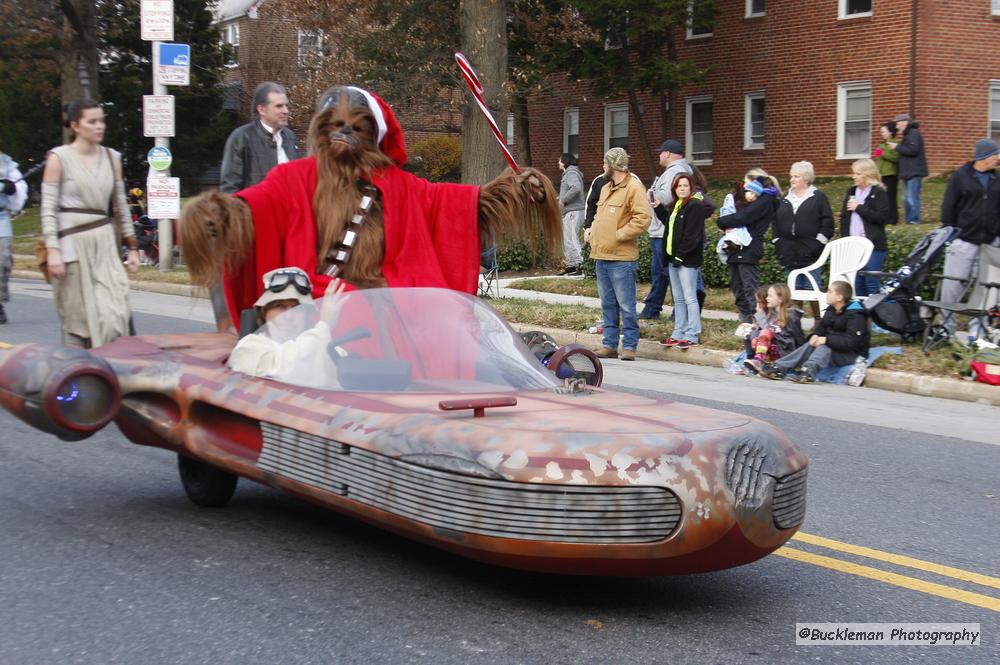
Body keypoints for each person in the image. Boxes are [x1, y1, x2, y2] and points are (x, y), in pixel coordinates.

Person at [179, 85, 561, 330]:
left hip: (383, 308)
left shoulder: (399, 186)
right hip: (314, 304)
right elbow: (251, 209)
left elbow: (462, 206)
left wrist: (515, 188)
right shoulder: (294, 178)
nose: (343, 134)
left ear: (372, 135)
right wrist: (215, 216)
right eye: (334, 126)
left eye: (354, 127)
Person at [40, 100, 139, 348]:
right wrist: (53, 251)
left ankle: (110, 366)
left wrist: (133, 245)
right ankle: (78, 373)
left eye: (101, 120)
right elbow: (48, 209)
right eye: (92, 121)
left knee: (115, 309)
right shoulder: (58, 158)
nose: (99, 126)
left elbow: (120, 205)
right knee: (77, 316)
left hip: (104, 242)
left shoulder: (112, 158)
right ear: (75, 125)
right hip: (70, 243)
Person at [583, 147, 651, 361]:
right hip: (601, 255)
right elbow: (599, 215)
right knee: (608, 303)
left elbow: (643, 218)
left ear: (613, 166)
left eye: (605, 164)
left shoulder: (633, 187)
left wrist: (620, 234)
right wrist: (592, 233)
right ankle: (609, 344)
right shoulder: (605, 187)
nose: (603, 167)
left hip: (621, 258)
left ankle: (629, 346)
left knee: (626, 305)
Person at [227, 268, 345, 387]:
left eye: (297, 308)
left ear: (307, 315)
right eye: (279, 306)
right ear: (264, 312)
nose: (288, 316)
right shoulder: (249, 346)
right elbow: (291, 373)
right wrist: (325, 325)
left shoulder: (326, 345)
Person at [938, 138, 1000, 337]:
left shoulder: (996, 179)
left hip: (990, 244)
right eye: (995, 154)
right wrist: (952, 233)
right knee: (952, 286)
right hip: (964, 242)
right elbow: (949, 207)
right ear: (983, 157)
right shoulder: (960, 177)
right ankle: (947, 329)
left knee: (987, 289)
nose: (998, 158)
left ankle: (979, 334)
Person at [759, 281, 869, 383]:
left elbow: (851, 342)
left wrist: (826, 340)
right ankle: (778, 368)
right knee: (812, 343)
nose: (827, 294)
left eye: (830, 292)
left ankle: (808, 372)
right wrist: (816, 335)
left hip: (851, 354)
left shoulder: (855, 315)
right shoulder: (832, 309)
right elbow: (821, 328)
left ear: (839, 297)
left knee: (824, 346)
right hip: (834, 347)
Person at [717, 168, 781, 323]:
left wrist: (722, 222)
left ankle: (759, 325)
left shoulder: (764, 201)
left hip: (749, 250)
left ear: (754, 181)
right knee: (739, 290)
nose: (744, 187)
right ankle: (746, 324)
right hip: (735, 249)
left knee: (750, 291)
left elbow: (743, 217)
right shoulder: (748, 201)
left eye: (746, 182)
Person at [773, 161, 833, 318]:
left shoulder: (818, 197)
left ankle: (819, 322)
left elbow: (827, 223)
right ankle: (794, 323)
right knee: (793, 288)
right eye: (791, 176)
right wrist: (777, 241)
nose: (792, 179)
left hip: (810, 251)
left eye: (796, 176)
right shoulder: (785, 197)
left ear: (806, 178)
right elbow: (775, 222)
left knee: (812, 287)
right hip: (789, 250)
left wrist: (818, 243)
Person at [639, 139, 690, 319]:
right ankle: (652, 309)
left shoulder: (676, 172)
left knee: (670, 273)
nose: (659, 155)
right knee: (659, 274)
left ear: (667, 154)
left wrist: (650, 194)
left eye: (661, 152)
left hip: (665, 231)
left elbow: (666, 198)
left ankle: (680, 312)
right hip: (660, 231)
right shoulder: (673, 172)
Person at [220, 82, 300, 194]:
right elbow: (230, 188)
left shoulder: (290, 137)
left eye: (286, 105)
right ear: (261, 109)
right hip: (255, 210)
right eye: (279, 106)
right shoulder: (241, 137)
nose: (286, 111)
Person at [659, 174, 705, 350]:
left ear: (691, 187)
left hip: (686, 260)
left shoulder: (694, 206)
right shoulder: (676, 206)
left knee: (689, 297)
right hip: (673, 259)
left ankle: (692, 333)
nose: (683, 189)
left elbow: (692, 235)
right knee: (678, 299)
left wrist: (680, 256)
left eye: (686, 186)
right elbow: (671, 228)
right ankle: (679, 332)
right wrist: (657, 208)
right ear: (675, 189)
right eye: (679, 186)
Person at [839, 158, 892, 298]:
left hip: (873, 246)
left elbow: (882, 217)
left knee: (871, 283)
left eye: (857, 174)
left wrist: (859, 208)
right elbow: (844, 218)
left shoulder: (878, 192)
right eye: (854, 173)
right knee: (856, 284)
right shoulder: (851, 191)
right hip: (853, 245)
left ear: (867, 174)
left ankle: (875, 319)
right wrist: (844, 240)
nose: (854, 177)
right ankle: (860, 318)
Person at [743, 283, 806, 375]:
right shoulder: (772, 313)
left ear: (780, 299)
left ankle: (758, 361)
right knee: (751, 332)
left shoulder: (791, 315)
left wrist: (799, 357)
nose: (767, 298)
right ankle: (752, 360)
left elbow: (799, 337)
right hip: (772, 349)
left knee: (765, 332)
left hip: (785, 351)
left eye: (770, 296)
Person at [0, 147, 28, 324]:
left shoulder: (4, 162)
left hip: (0, 218)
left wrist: (13, 188)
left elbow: (18, 184)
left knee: (3, 260)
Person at [894, 113, 928, 225]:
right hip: (908, 172)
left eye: (898, 123)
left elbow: (913, 150)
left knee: (912, 197)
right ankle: (909, 220)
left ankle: (914, 220)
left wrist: (897, 147)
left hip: (914, 171)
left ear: (904, 122)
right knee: (906, 198)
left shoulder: (913, 133)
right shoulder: (908, 135)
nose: (896, 126)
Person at [557, 153, 585, 275]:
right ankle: (572, 265)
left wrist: (563, 200)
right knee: (567, 239)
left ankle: (582, 264)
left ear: (564, 161)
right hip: (569, 211)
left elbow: (576, 188)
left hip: (574, 210)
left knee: (573, 238)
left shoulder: (571, 173)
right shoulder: (569, 173)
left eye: (559, 160)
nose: (558, 162)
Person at [873, 121, 900, 225]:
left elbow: (896, 157)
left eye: (884, 131)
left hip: (891, 174)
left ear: (890, 132)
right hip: (881, 175)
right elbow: (878, 159)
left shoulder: (896, 143)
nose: (882, 133)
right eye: (881, 132)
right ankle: (886, 218)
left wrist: (882, 153)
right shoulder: (881, 144)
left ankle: (893, 220)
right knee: (883, 198)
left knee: (891, 197)